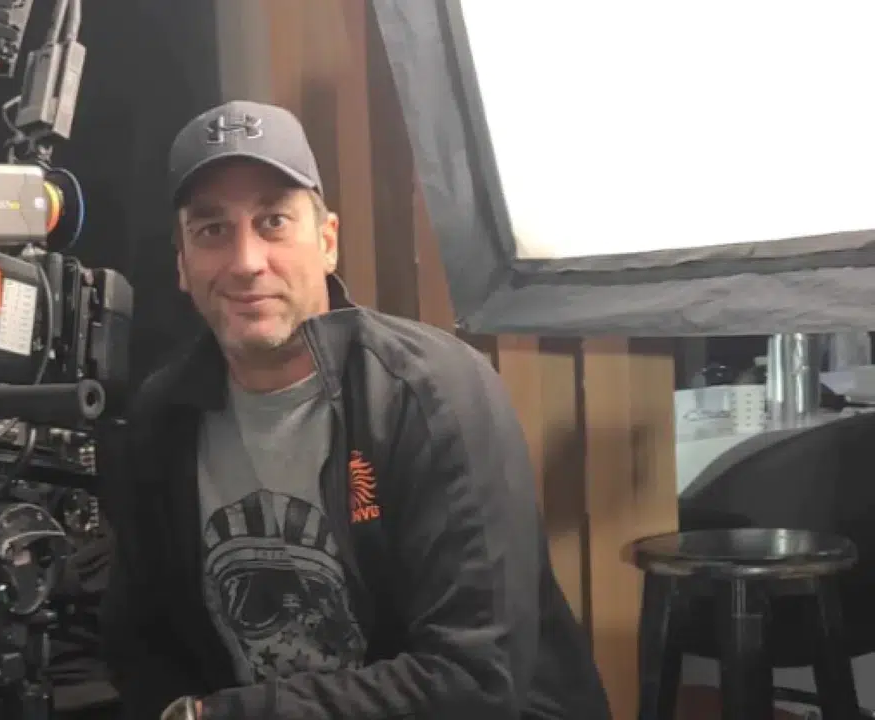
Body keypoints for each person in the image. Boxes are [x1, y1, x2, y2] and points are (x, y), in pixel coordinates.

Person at [100, 100, 611, 720]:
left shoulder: (432, 397)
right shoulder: (162, 420)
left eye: (273, 222)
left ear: (327, 241)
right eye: (212, 230)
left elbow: (474, 679)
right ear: (182, 264)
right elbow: (141, 642)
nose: (246, 261)